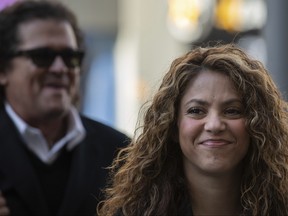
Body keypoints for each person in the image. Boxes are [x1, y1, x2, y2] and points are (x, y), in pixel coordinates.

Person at [97, 43, 288, 216]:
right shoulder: (135, 212)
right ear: (172, 125)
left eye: (232, 111)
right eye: (196, 111)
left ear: (257, 125)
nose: (214, 125)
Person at [0, 1, 128, 216]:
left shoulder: (121, 154)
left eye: (71, 58)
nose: (60, 68)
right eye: (42, 56)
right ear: (3, 70)